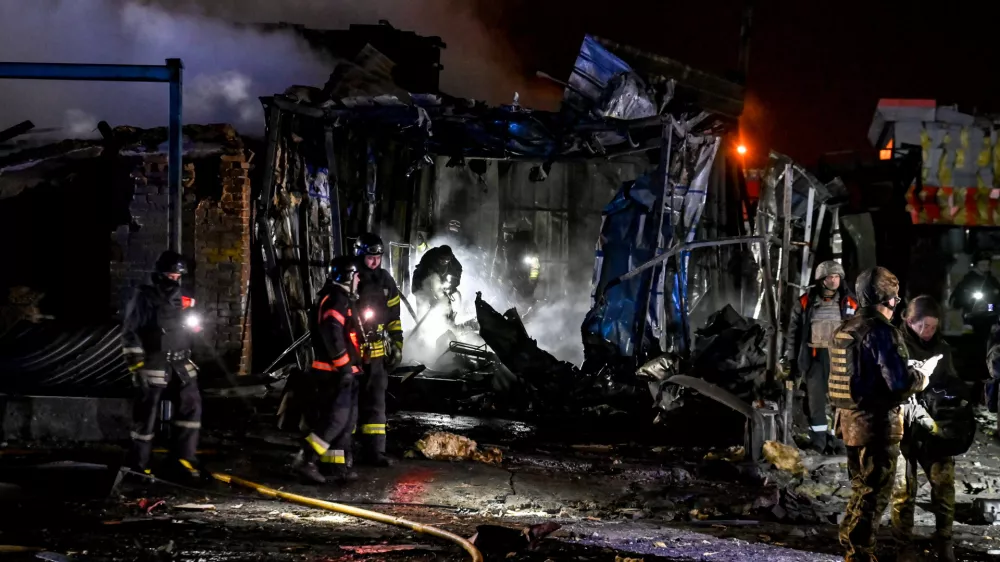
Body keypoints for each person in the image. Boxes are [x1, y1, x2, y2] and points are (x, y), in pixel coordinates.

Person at [830, 267, 938, 562]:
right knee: (875, 494)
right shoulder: (881, 331)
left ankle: (849, 540)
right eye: (895, 299)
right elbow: (899, 383)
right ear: (889, 300)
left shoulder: (844, 328)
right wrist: (921, 376)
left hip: (849, 423)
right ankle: (860, 552)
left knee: (860, 488)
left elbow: (859, 375)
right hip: (876, 426)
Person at [121, 250, 203, 480]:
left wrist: (194, 325)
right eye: (171, 275)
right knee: (146, 415)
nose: (174, 280)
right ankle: (139, 465)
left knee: (192, 406)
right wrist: (136, 366)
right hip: (154, 362)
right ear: (159, 274)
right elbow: (130, 333)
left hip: (180, 362)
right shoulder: (144, 297)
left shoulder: (182, 300)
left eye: (178, 277)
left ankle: (183, 459)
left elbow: (190, 328)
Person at [892, 296, 962, 562]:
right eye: (925, 326)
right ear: (910, 321)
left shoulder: (942, 349)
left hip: (934, 431)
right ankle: (903, 547)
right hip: (903, 430)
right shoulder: (895, 346)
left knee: (944, 489)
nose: (929, 332)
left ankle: (944, 542)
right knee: (903, 492)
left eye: (934, 326)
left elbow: (953, 383)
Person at [292, 256, 363, 484]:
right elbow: (332, 333)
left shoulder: (341, 297)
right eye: (357, 276)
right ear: (348, 277)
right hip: (332, 373)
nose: (359, 280)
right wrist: (343, 367)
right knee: (334, 421)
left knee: (346, 421)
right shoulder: (335, 299)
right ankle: (306, 460)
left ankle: (335, 467)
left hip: (345, 372)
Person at [783, 260, 859, 453]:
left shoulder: (850, 302)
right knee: (816, 401)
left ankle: (839, 440)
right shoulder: (805, 302)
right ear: (821, 279)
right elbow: (793, 332)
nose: (833, 281)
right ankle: (819, 441)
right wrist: (792, 360)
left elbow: (860, 331)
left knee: (841, 401)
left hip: (841, 359)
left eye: (836, 277)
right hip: (815, 357)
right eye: (829, 277)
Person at [353, 233, 403, 467]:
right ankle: (346, 448)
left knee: (376, 401)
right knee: (350, 400)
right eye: (370, 257)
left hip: (377, 353)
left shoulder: (386, 281)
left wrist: (397, 344)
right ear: (360, 255)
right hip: (353, 352)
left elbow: (394, 317)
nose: (374, 261)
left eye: (378, 257)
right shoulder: (351, 277)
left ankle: (375, 451)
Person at [412, 244, 463, 320]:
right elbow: (425, 282)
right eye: (442, 259)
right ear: (437, 256)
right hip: (421, 282)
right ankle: (421, 323)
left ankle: (449, 322)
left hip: (438, 281)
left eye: (447, 260)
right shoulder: (428, 259)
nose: (444, 261)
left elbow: (458, 271)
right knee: (423, 301)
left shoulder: (452, 260)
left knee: (445, 300)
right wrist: (431, 297)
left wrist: (451, 286)